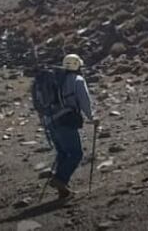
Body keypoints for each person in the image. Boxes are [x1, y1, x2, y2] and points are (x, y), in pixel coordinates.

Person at [47, 53, 95, 198]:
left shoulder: (55, 80)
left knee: (63, 153)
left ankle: (62, 189)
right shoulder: (77, 80)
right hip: (65, 120)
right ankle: (59, 180)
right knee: (75, 154)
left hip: (49, 121)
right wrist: (92, 117)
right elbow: (84, 101)